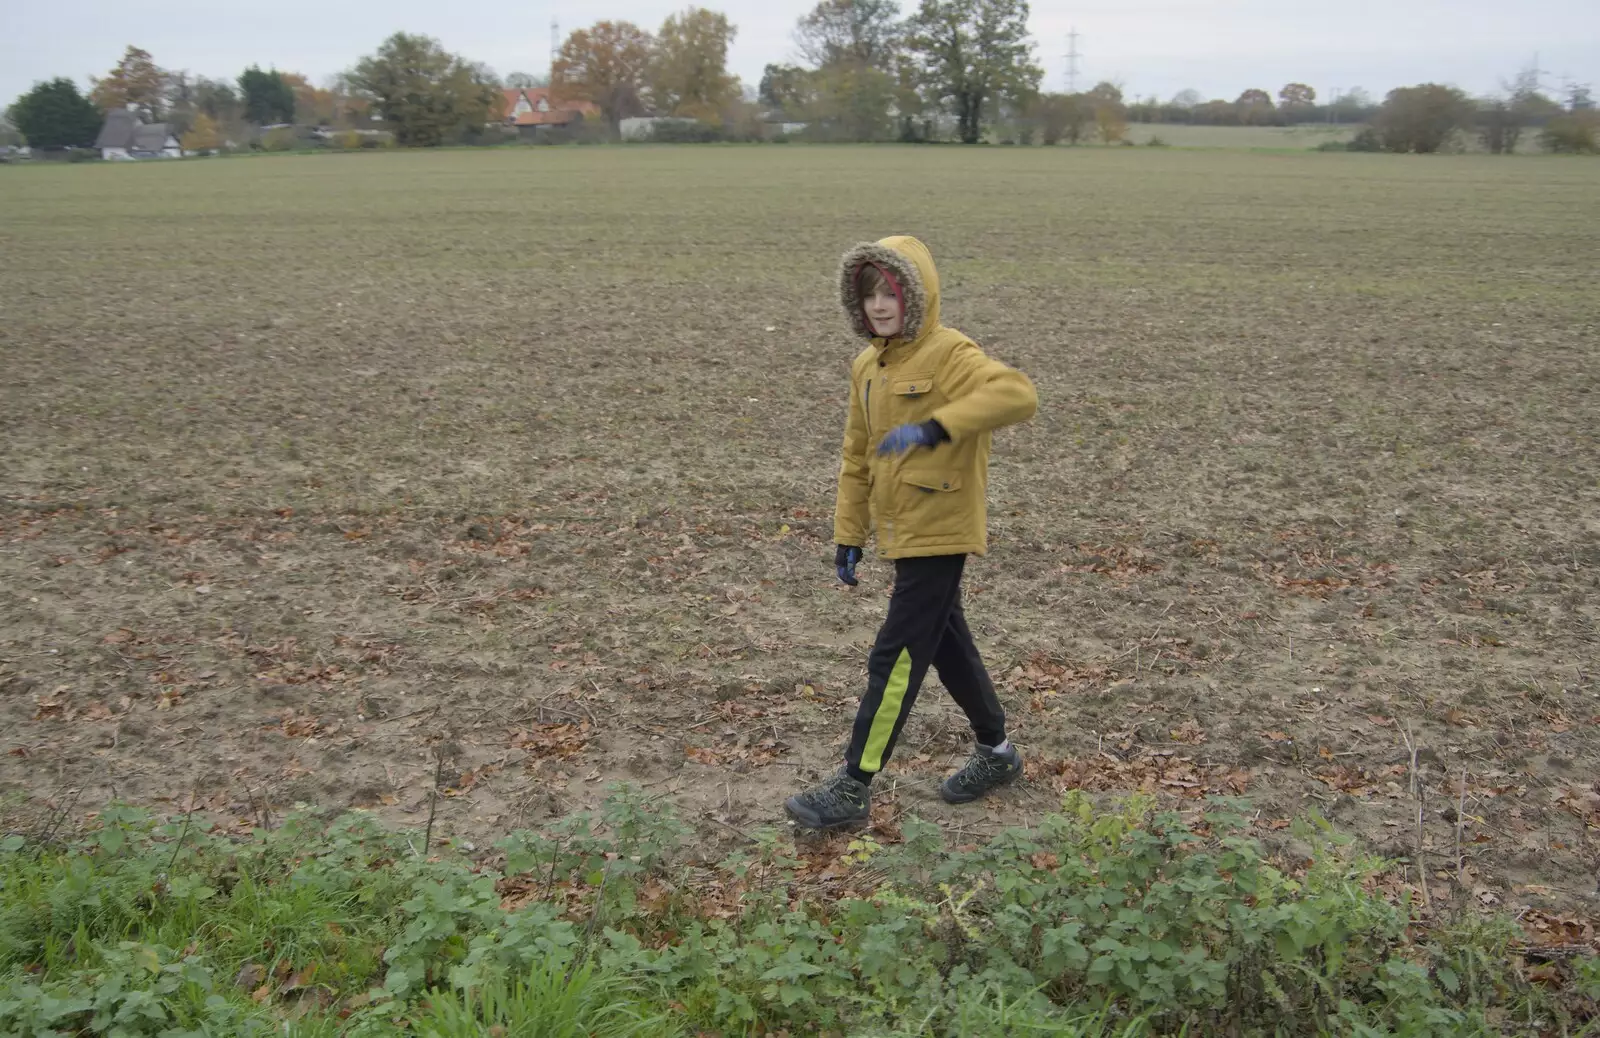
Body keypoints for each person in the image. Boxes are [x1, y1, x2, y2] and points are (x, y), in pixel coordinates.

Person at [785, 235, 1039, 830]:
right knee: (947, 644)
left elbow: (1017, 394)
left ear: (916, 294)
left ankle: (852, 785)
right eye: (868, 292)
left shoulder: (950, 352)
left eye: (891, 290)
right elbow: (856, 455)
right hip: (900, 530)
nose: (879, 304)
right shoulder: (866, 366)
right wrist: (849, 531)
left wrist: (936, 428)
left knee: (895, 655)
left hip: (942, 527)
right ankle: (997, 754)